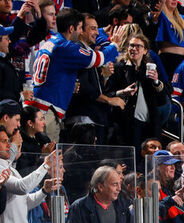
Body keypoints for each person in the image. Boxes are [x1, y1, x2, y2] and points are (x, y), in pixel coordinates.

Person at [27, 8, 119, 141]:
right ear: (71, 28)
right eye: (80, 28)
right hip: (47, 110)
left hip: (38, 107)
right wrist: (115, 44)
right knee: (47, 157)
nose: (81, 32)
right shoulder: (65, 46)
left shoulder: (50, 42)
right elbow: (97, 59)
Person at [106, 33, 169, 154]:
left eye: (138, 46)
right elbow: (108, 93)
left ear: (145, 50)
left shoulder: (150, 69)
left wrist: (156, 81)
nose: (133, 49)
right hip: (125, 124)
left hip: (150, 124)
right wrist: (122, 93)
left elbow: (162, 101)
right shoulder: (119, 67)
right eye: (131, 45)